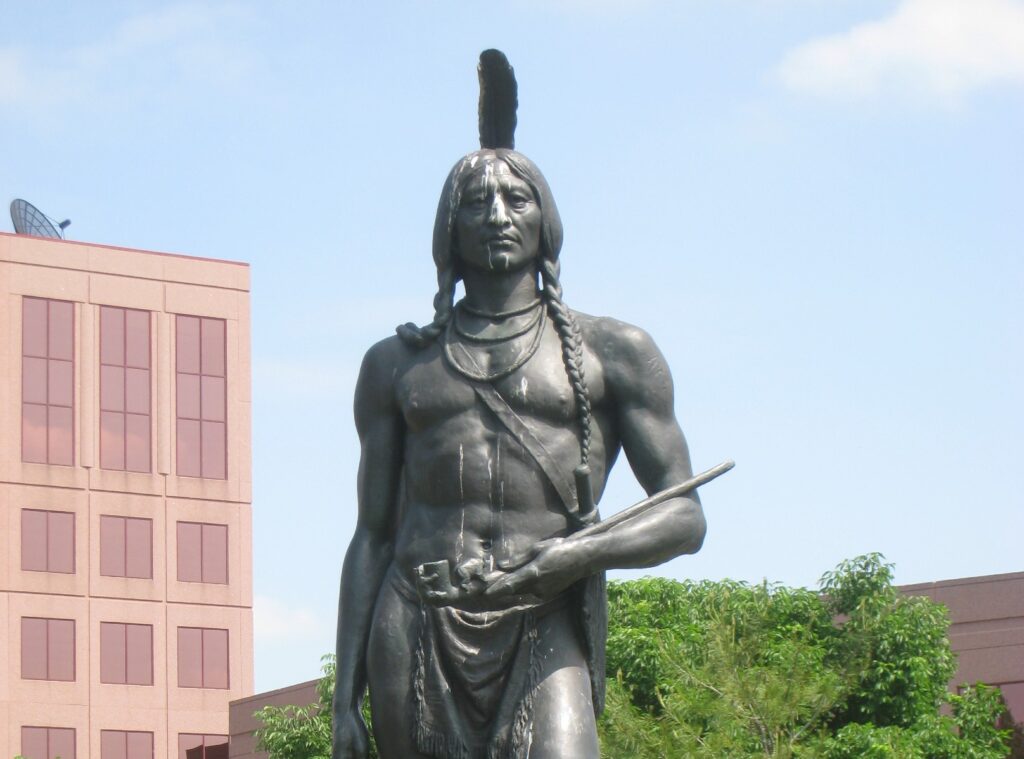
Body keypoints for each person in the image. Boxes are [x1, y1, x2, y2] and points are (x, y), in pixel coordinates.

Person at [331, 144, 707, 759]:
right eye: (476, 203)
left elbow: (685, 517)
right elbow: (371, 535)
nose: (498, 215)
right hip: (419, 617)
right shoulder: (395, 365)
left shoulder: (614, 351)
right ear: (449, 229)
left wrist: (575, 557)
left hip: (544, 614)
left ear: (546, 220)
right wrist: (344, 698)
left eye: (517, 198)